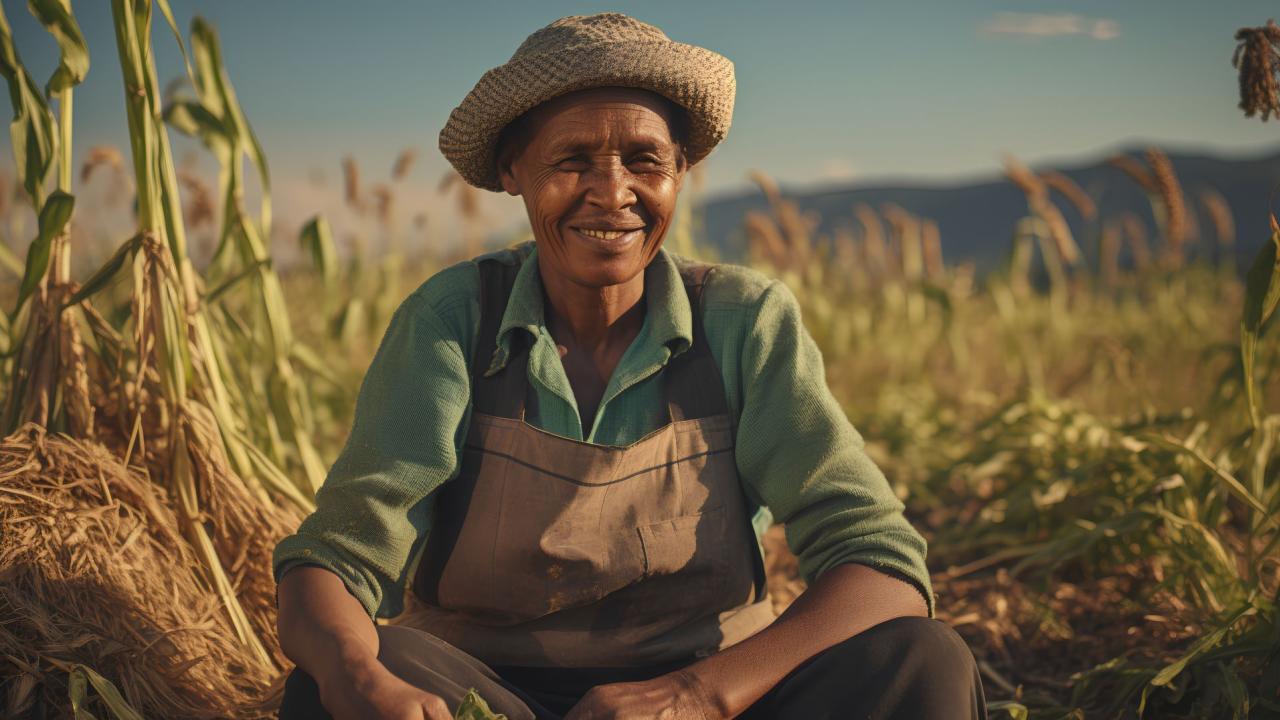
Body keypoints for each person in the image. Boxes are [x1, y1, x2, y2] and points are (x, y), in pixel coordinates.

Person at [273, 12, 986, 720]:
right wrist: (356, 678)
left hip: (713, 696)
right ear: (512, 171)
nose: (613, 193)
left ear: (681, 170)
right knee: (338, 677)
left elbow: (884, 564)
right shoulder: (454, 322)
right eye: (572, 159)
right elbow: (334, 562)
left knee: (922, 660)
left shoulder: (744, 321)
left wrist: (699, 692)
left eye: (645, 160)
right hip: (487, 695)